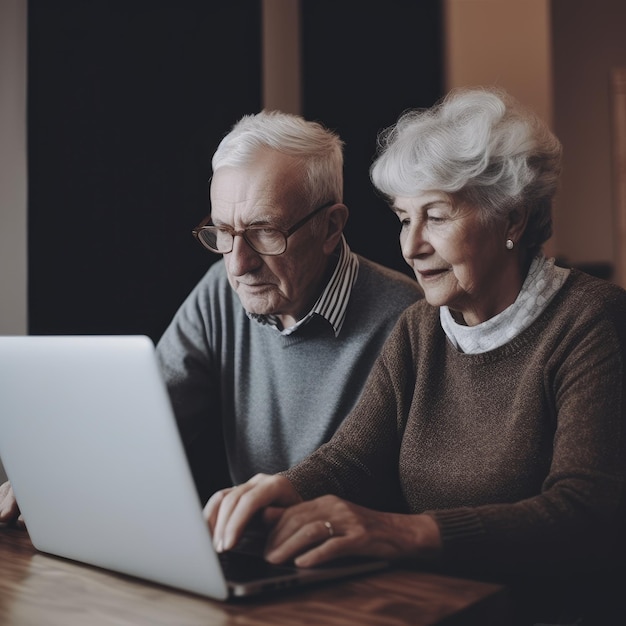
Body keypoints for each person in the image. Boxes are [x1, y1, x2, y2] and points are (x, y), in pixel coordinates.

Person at [205, 88, 626, 624]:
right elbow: (352, 458)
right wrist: (276, 489)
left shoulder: (592, 322)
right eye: (405, 218)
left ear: (512, 220)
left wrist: (403, 532)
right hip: (437, 609)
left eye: (438, 216)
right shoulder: (421, 329)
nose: (412, 246)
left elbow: (586, 516)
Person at [0, 111, 420, 522]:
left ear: (330, 228)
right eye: (223, 231)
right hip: (252, 552)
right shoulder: (220, 292)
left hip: (361, 571)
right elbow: (148, 422)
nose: (238, 265)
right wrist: (61, 471)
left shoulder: (409, 319)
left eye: (264, 231)